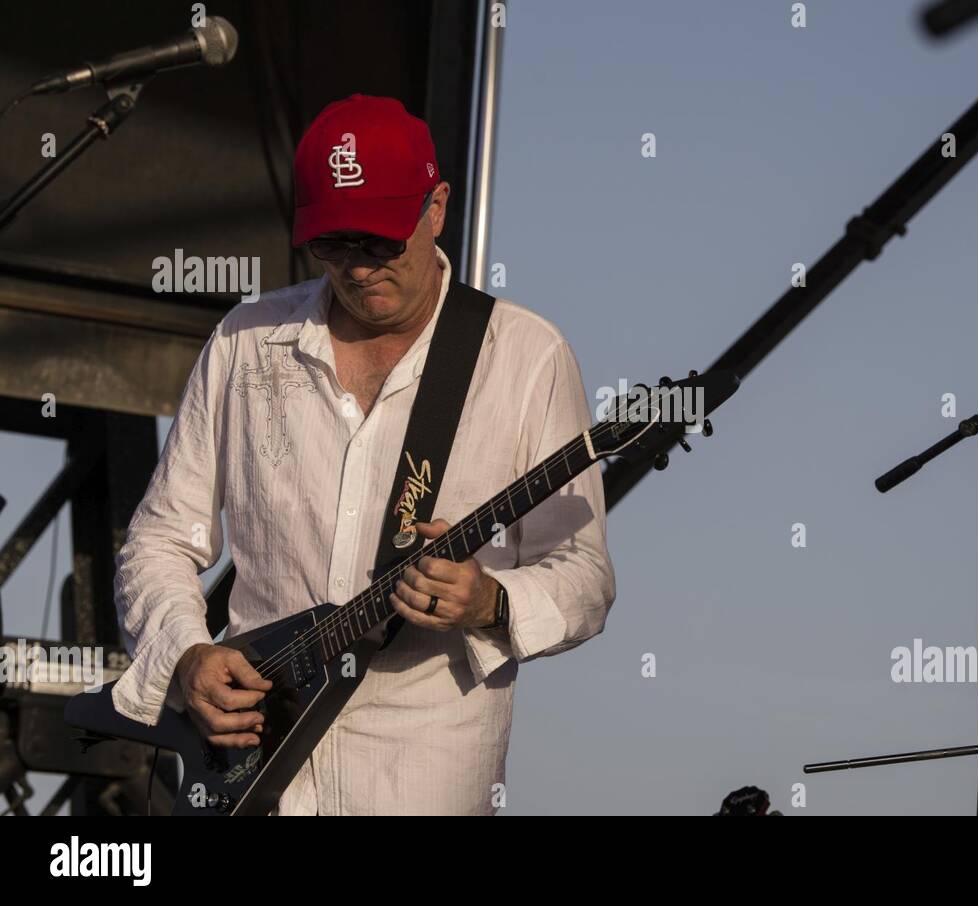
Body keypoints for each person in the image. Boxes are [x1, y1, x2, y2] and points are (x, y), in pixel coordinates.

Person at [111, 94, 615, 814]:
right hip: (252, 767)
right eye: (333, 244)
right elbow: (160, 538)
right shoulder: (245, 340)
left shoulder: (526, 357)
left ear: (436, 207)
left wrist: (492, 600)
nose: (357, 268)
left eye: (379, 241)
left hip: (421, 774)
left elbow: (585, 576)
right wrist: (187, 654)